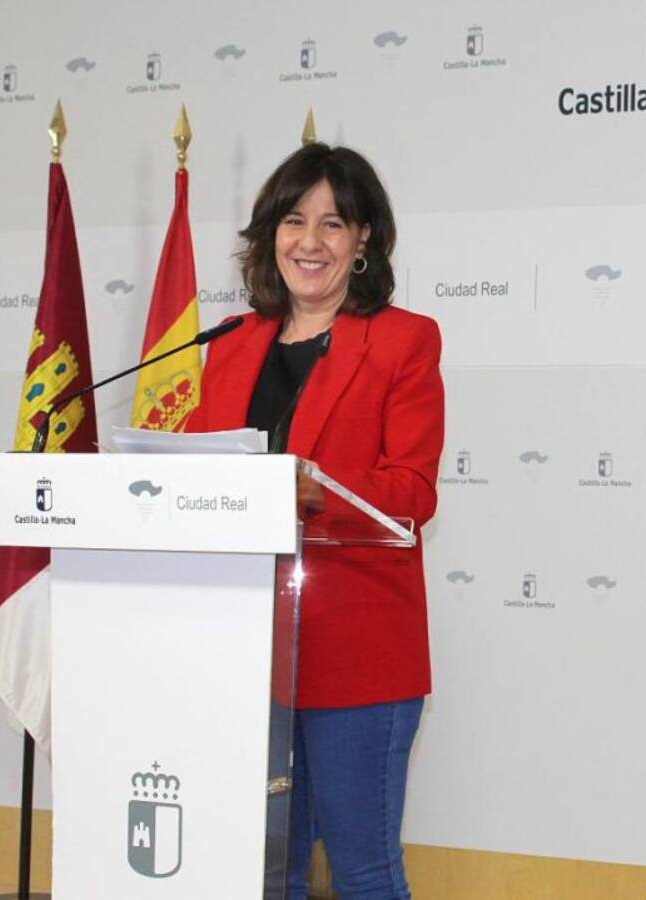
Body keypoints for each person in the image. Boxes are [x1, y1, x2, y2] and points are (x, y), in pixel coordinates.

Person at [185, 142, 444, 900]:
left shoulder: (403, 340)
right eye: (294, 221)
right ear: (271, 234)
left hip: (358, 647)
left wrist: (308, 487)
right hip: (245, 645)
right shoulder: (231, 343)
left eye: (333, 224)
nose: (311, 241)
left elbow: (412, 490)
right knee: (267, 874)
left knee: (363, 874)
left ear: (363, 239)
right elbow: (203, 473)